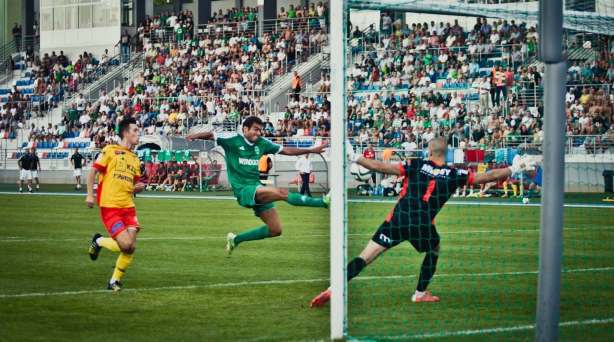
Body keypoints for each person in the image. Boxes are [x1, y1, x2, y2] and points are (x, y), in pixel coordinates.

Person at [309, 138, 535, 307]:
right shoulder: (454, 173)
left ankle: (334, 288)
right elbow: (487, 177)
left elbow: (381, 167)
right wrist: (516, 167)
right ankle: (419, 293)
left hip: (396, 219)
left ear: (429, 151)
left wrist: (355, 157)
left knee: (365, 256)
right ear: (446, 153)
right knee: (435, 249)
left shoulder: (415, 164)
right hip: (422, 224)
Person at [185, 116, 331, 255]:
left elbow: (285, 150)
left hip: (256, 188)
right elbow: (212, 135)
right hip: (243, 190)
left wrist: (312, 150)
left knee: (275, 230)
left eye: (260, 129)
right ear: (245, 129)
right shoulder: (233, 140)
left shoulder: (262, 143)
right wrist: (195, 136)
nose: (258, 132)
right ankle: (323, 202)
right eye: (255, 129)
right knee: (282, 193)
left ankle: (235, 240)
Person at [87, 118, 144, 292]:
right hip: (110, 205)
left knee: (131, 247)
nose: (138, 133)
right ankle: (100, 241)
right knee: (126, 245)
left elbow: (134, 185)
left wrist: (139, 188)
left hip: (128, 206)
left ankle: (114, 282)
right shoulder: (110, 150)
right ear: (125, 133)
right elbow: (93, 171)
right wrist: (90, 194)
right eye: (135, 130)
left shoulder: (135, 159)